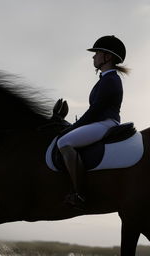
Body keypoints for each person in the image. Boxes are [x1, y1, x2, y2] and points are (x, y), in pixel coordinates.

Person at [57, 35, 129, 208]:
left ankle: (79, 194)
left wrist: (73, 128)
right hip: (101, 122)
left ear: (107, 57)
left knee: (64, 142)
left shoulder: (111, 80)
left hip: (106, 123)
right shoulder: (106, 79)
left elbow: (94, 111)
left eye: (96, 53)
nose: (93, 56)